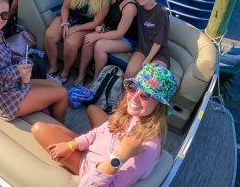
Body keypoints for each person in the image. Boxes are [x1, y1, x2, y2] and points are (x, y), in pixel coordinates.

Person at [31, 64, 177, 187]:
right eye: (133, 87)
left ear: (160, 106)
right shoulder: (131, 115)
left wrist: (120, 156)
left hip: (91, 168)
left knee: (38, 129)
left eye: (146, 95)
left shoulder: (145, 148)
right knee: (92, 109)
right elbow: (100, 132)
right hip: (94, 150)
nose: (134, 97)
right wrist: (72, 145)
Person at [0, 0, 68, 122]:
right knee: (62, 94)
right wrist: (17, 71)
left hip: (13, 84)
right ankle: (59, 131)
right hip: (5, 99)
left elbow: (5, 62)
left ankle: (47, 114)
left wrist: (20, 64)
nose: (0, 19)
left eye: (5, 14)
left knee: (56, 85)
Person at [44, 0, 110, 84]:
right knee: (50, 35)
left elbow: (96, 22)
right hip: (69, 18)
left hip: (87, 24)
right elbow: (65, 8)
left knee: (70, 43)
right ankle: (53, 66)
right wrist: (64, 23)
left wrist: (76, 28)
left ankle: (66, 70)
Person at [74, 0, 138, 85]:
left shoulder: (129, 7)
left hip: (127, 39)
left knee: (99, 45)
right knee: (88, 41)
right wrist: (101, 26)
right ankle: (81, 75)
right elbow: (107, 19)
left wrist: (97, 36)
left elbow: (119, 33)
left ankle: (96, 81)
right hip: (112, 32)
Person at [124, 0, 170, 80]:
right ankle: (124, 96)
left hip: (159, 54)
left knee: (149, 80)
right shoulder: (138, 7)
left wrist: (148, 59)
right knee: (129, 74)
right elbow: (124, 0)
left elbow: (159, 40)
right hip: (142, 49)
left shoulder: (161, 12)